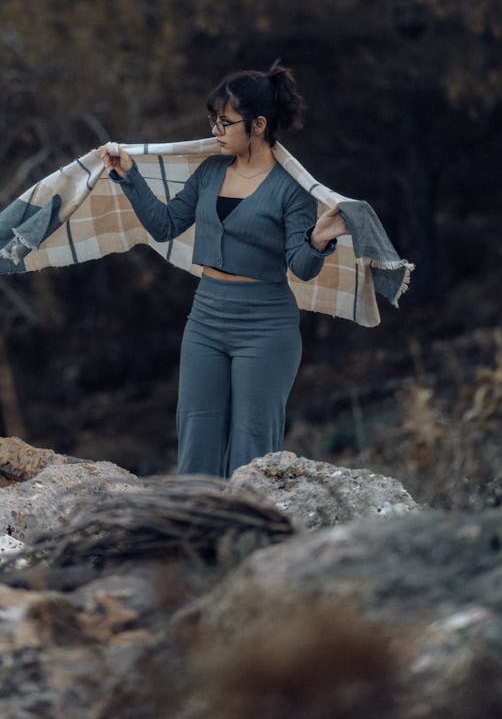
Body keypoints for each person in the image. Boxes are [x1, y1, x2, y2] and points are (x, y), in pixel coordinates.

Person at [99, 62, 349, 477]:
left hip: (266, 326)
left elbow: (302, 269)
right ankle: (197, 539)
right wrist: (130, 177)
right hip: (206, 317)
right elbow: (165, 225)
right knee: (197, 438)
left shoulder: (291, 189)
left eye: (224, 122)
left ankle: (246, 538)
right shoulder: (210, 171)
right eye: (213, 120)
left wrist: (319, 240)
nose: (215, 130)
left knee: (252, 450)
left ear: (258, 124)